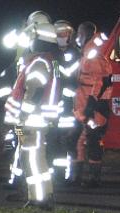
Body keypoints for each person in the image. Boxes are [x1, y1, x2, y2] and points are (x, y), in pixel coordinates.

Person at [4, 21, 61, 207]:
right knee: (28, 156)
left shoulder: (39, 62)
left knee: (32, 159)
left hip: (29, 123)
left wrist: (22, 115)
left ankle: (39, 199)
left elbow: (33, 92)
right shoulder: (51, 61)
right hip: (27, 124)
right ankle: (41, 195)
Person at [74, 22, 112, 188]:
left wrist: (92, 103)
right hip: (85, 103)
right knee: (82, 138)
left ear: (86, 34)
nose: (77, 37)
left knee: (92, 139)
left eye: (79, 34)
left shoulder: (92, 53)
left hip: (93, 105)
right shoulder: (88, 51)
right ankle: (78, 177)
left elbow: (101, 80)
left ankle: (94, 179)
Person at [52, 20, 80, 186]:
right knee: (55, 143)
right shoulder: (53, 53)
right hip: (55, 106)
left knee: (69, 143)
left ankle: (70, 176)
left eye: (65, 34)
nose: (62, 37)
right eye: (59, 34)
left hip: (70, 107)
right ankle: (57, 176)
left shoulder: (75, 53)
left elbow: (69, 76)